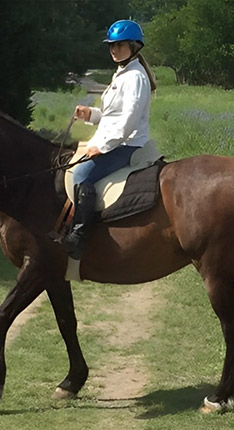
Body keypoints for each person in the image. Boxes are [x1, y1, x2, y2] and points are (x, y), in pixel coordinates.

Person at [64, 19, 157, 260]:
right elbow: (112, 116)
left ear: (134, 46)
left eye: (120, 45)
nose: (114, 50)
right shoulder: (123, 74)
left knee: (82, 174)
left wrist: (101, 147)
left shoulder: (135, 77)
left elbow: (128, 122)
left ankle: (80, 234)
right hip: (115, 139)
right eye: (111, 46)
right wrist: (91, 115)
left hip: (127, 144)